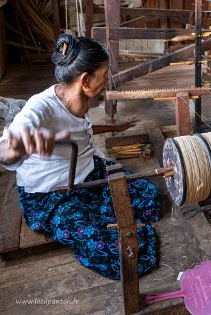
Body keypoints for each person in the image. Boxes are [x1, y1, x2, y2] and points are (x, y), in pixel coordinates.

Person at [1, 34, 162, 280]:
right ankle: (98, 216)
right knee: (124, 254)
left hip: (90, 174)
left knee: (151, 200)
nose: (107, 80)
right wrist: (22, 145)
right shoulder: (39, 108)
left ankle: (102, 211)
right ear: (85, 80)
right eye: (104, 73)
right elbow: (5, 151)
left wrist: (116, 129)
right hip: (53, 196)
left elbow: (80, 130)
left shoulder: (77, 100)